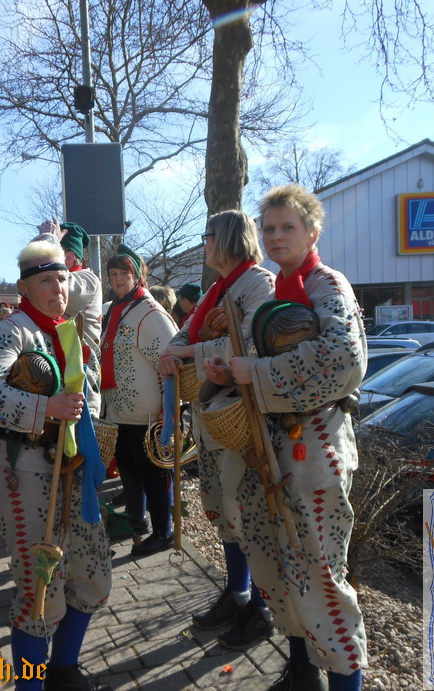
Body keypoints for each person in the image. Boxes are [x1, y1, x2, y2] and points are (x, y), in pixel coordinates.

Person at [205, 184, 368, 690]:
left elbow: (344, 358)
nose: (276, 236)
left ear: (312, 232)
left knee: (318, 569)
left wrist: (256, 372)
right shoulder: (276, 290)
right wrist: (230, 372)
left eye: (288, 227)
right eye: (270, 228)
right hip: (272, 443)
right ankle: (301, 672)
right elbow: (263, 356)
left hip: (315, 443)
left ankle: (344, 680)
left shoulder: (327, 284)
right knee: (275, 563)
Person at [0, 240, 111, 691]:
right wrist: (45, 408)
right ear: (25, 287)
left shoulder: (66, 331)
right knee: (39, 588)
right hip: (23, 469)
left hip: (72, 467)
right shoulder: (14, 330)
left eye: (62, 279)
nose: (58, 289)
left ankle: (63, 671)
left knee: (91, 575)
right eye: (46, 281)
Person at [157, 210, 276, 651]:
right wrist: (172, 351)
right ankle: (237, 592)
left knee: (246, 511)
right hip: (210, 414)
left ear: (226, 238)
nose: (204, 244)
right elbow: (183, 334)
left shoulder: (259, 285)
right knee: (221, 507)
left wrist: (188, 351)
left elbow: (247, 342)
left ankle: (261, 609)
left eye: (207, 236)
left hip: (240, 417)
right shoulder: (215, 290)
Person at [101, 243, 178, 555]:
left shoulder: (150, 313)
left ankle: (164, 531)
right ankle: (137, 521)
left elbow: (172, 362)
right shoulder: (116, 310)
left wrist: (169, 411)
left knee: (154, 476)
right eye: (113, 274)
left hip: (147, 415)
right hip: (119, 413)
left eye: (124, 273)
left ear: (137, 276)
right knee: (130, 472)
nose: (118, 279)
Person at [35, 219, 103, 417]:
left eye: (55, 252)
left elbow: (47, 280)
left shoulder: (88, 280)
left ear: (70, 257)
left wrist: (49, 241)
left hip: (81, 383)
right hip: (60, 380)